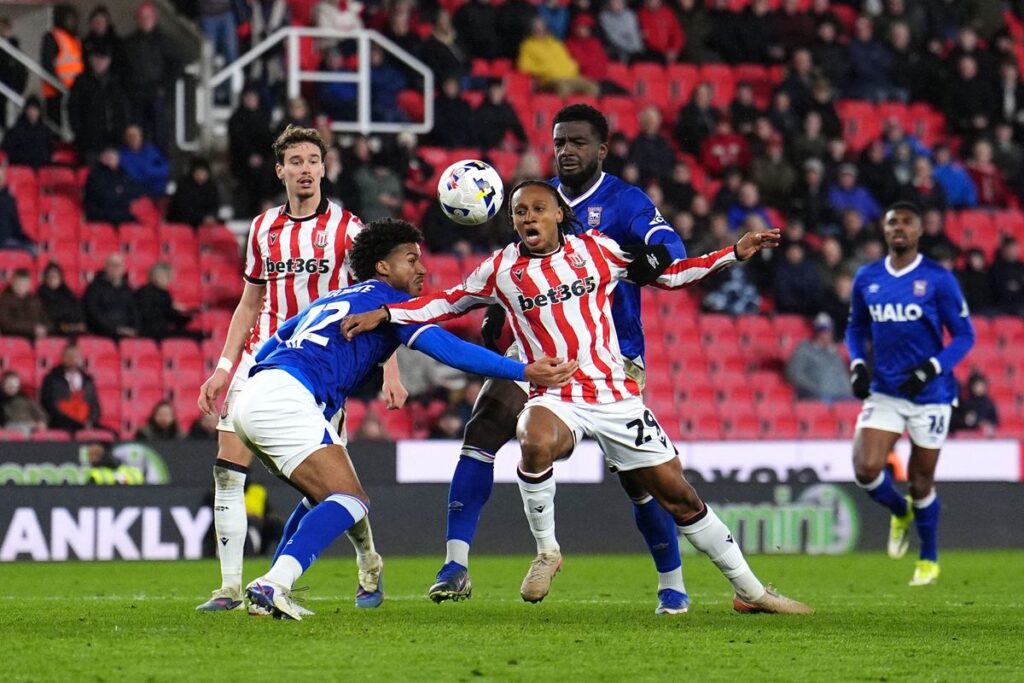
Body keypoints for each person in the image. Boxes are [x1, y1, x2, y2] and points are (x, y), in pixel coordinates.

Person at [343, 181, 810, 615]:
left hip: (614, 395)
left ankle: (750, 592)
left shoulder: (598, 250)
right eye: (519, 211)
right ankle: (547, 551)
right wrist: (384, 313)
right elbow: (444, 303)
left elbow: (669, 277)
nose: (528, 218)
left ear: (560, 214)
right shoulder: (502, 269)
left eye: (538, 209)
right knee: (533, 436)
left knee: (680, 498)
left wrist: (733, 252)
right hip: (556, 393)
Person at [400, 105, 698, 614]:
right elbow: (518, 271)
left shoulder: (624, 200)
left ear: (601, 150)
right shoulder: (536, 199)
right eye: (560, 141)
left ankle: (672, 581)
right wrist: (499, 309)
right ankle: (455, 565)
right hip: (536, 348)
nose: (567, 150)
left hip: (611, 351)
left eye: (578, 142)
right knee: (485, 425)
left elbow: (667, 243)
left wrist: (659, 255)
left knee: (638, 479)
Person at [237, 219, 576, 620]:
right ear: (382, 267)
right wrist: (523, 371)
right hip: (288, 397)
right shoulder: (393, 307)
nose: (421, 269)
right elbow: (448, 349)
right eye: (411, 259)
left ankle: (279, 585)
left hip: (256, 394)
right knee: (348, 499)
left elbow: (269, 347)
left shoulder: (331, 300)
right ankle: (273, 583)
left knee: (326, 494)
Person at [194, 124, 408, 613]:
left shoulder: (349, 231)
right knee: (228, 470)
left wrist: (390, 372)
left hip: (322, 366)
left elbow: (376, 305)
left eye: (313, 159)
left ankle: (368, 559)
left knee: (328, 488)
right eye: (296, 161)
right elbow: (249, 304)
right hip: (263, 356)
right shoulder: (263, 228)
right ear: (281, 170)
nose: (305, 168)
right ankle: (228, 588)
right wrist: (224, 368)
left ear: (324, 168)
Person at [846, 201, 975, 587]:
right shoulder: (867, 277)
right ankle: (897, 510)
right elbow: (856, 329)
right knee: (866, 469)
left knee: (921, 480)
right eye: (892, 223)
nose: (898, 228)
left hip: (931, 394)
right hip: (885, 389)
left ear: (919, 231)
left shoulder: (938, 278)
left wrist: (932, 367)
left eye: (906, 222)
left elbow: (966, 335)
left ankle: (929, 558)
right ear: (884, 231)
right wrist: (856, 364)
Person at [67, 44, 130, 164]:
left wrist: (121, 133)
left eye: (104, 59)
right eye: (97, 58)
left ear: (109, 61)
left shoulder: (116, 83)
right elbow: (73, 110)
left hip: (113, 141)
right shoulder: (81, 82)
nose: (100, 62)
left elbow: (123, 110)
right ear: (91, 59)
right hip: (89, 143)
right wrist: (80, 134)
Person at [785, 313, 853, 401]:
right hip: (818, 396)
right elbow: (794, 374)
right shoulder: (804, 350)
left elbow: (843, 376)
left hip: (842, 396)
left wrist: (848, 390)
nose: (825, 334)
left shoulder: (835, 353)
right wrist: (815, 387)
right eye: (822, 330)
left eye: (828, 330)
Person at [40, 342, 101, 433]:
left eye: (76, 356)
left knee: (112, 435)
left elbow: (95, 406)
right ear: (63, 358)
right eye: (69, 356)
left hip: (86, 424)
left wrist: (91, 421)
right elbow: (49, 406)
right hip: (61, 425)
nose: (73, 359)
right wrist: (75, 422)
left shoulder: (88, 380)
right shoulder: (51, 379)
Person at [40, 4, 82, 127]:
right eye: (69, 19)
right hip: (56, 90)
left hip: (75, 90)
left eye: (73, 19)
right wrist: (58, 84)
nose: (71, 22)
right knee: (55, 126)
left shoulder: (75, 39)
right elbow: (47, 63)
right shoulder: (52, 37)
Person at [83, 253, 139, 339]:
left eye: (119, 265)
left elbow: (134, 312)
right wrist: (116, 329)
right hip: (102, 334)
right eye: (112, 265)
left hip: (127, 334)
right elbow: (94, 314)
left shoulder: (128, 289)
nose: (116, 268)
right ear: (106, 267)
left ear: (123, 268)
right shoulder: (94, 288)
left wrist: (134, 329)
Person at [136, 262, 195, 340]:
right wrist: (188, 315)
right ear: (156, 276)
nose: (169, 280)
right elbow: (168, 314)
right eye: (167, 276)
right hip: (153, 332)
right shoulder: (158, 293)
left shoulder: (145, 290)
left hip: (153, 330)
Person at [83, 147, 141, 225]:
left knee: (135, 222)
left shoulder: (123, 173)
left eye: (114, 157)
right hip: (100, 213)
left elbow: (133, 191)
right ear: (102, 159)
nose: (112, 160)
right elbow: (102, 196)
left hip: (121, 211)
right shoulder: (95, 175)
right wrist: (119, 192)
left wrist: (119, 193)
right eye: (108, 158)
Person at [166, 157, 221, 227]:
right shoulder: (184, 185)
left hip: (205, 224)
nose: (201, 175)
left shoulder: (211, 187)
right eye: (199, 172)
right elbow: (182, 209)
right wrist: (201, 218)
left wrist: (211, 216)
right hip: (182, 223)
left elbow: (215, 205)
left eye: (204, 172)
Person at [119, 124, 169, 197]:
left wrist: (147, 170)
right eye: (130, 136)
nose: (133, 138)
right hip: (135, 195)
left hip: (157, 193)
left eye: (136, 135)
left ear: (141, 136)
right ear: (125, 138)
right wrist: (151, 173)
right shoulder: (121, 155)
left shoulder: (151, 150)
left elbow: (165, 169)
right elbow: (133, 176)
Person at [1, 96, 52, 168]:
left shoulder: (45, 131)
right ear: (26, 110)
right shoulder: (16, 130)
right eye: (30, 109)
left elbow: (49, 150)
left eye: (34, 109)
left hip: (41, 167)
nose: (32, 112)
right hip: (20, 167)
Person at [37, 262, 86, 335]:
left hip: (70, 328)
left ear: (60, 278)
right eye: (49, 276)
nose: (52, 279)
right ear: (45, 279)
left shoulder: (68, 293)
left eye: (55, 276)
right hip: (53, 330)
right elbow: (49, 316)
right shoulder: (40, 294)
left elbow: (77, 312)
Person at [0, 268, 49, 339]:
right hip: (14, 339)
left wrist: (45, 328)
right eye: (18, 283)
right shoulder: (5, 299)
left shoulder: (35, 300)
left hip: (36, 338)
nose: (21, 287)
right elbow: (6, 324)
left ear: (29, 285)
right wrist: (32, 328)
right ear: (12, 283)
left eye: (24, 284)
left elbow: (46, 319)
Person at [0, 370, 47, 435]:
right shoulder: (2, 401)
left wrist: (41, 422)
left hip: (30, 427)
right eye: (9, 385)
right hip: (12, 427)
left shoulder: (25, 398)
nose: (12, 388)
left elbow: (40, 413)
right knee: (22, 429)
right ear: (3, 385)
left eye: (15, 386)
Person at [0, 166, 32, 251]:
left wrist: (28, 240)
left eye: (2, 176)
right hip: (4, 242)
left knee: (33, 249)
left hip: (8, 241)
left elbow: (16, 227)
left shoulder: (9, 200)